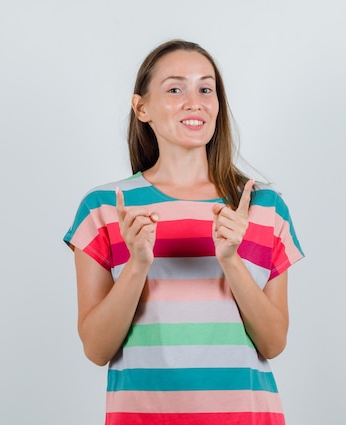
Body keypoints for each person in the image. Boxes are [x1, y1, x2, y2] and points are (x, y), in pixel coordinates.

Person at [63, 39, 304, 425]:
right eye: (175, 89)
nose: (195, 102)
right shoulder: (105, 206)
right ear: (142, 108)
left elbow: (274, 343)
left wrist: (232, 261)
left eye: (205, 89)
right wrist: (138, 265)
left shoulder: (262, 206)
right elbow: (96, 348)